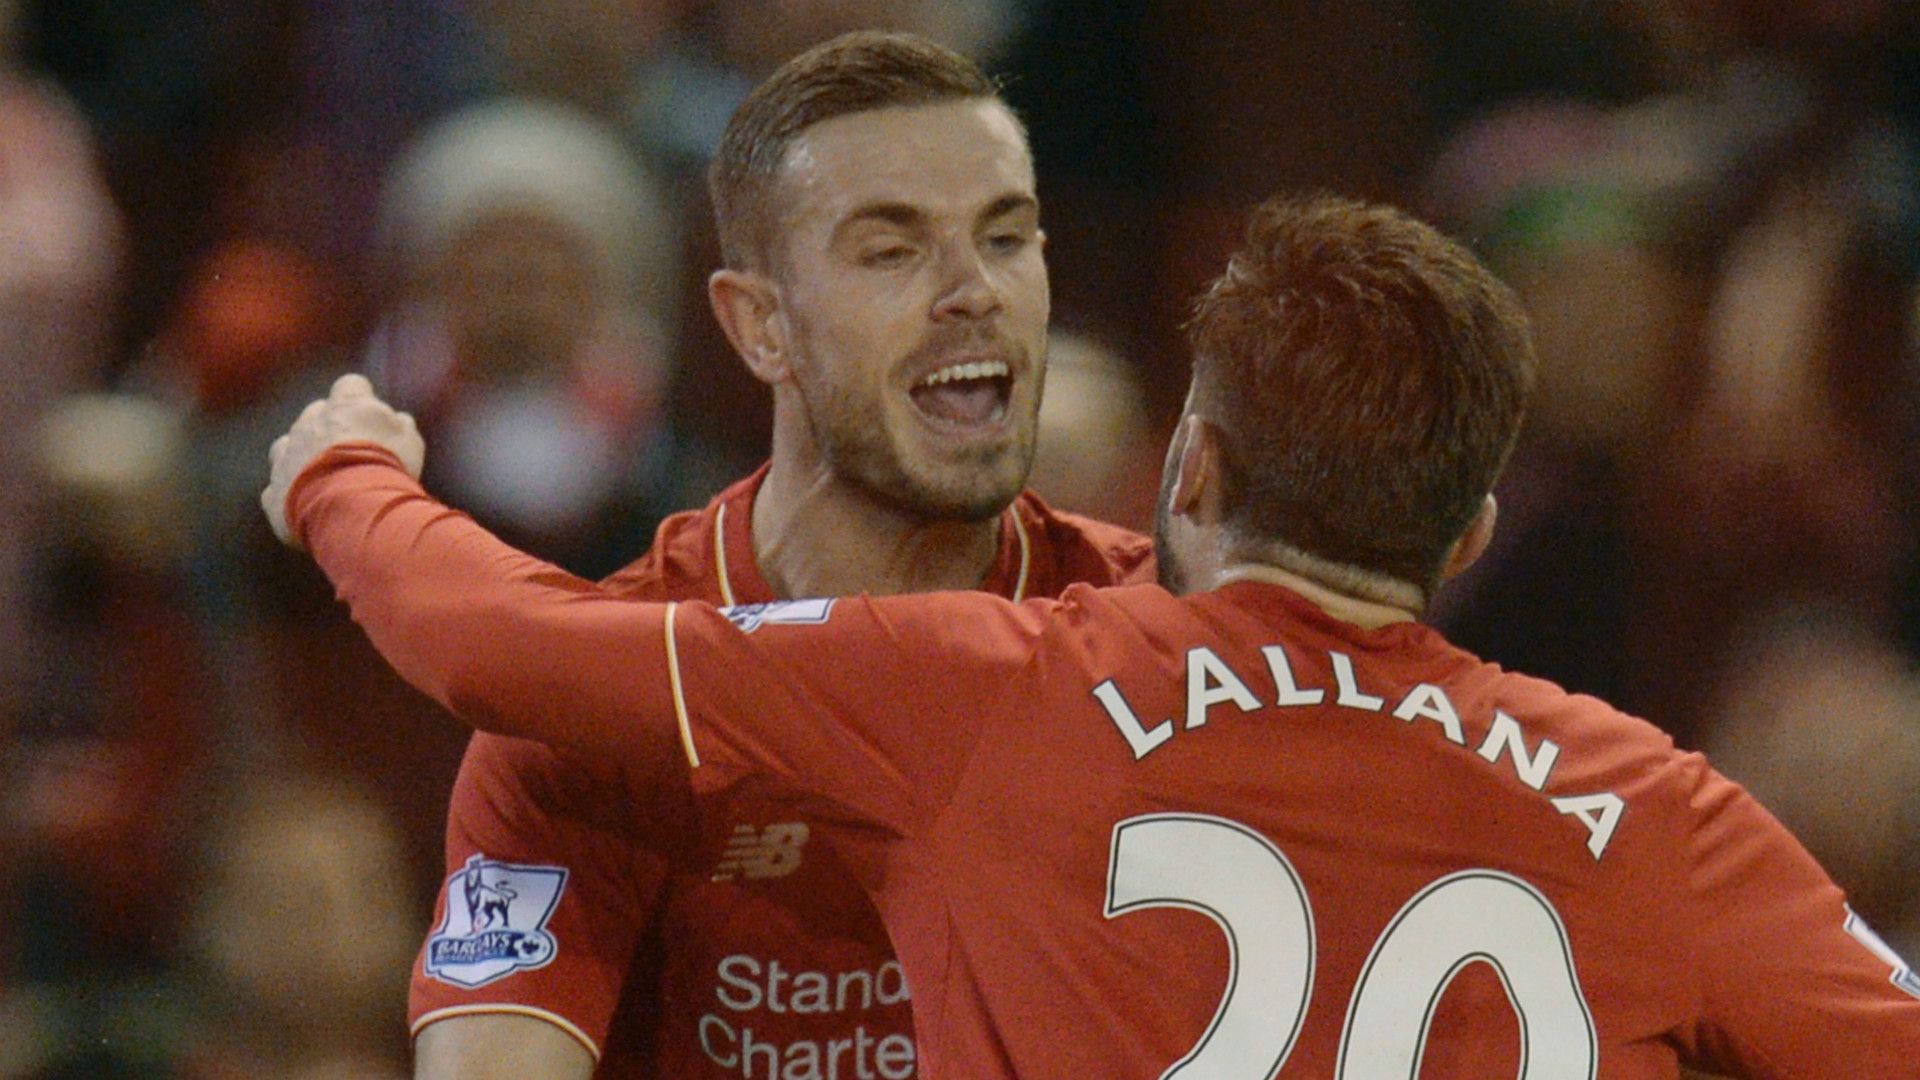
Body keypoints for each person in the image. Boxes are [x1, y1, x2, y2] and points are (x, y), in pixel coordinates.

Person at [263, 193, 1920, 1076]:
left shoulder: (993, 686)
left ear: (1189, 467)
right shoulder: (1652, 808)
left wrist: (346, 474)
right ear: (1468, 537)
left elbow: (495, 644)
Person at [388, 31, 1152, 1079]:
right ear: (760, 327)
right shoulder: (591, 715)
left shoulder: (1167, 632)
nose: (976, 290)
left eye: (1007, 237)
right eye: (890, 251)